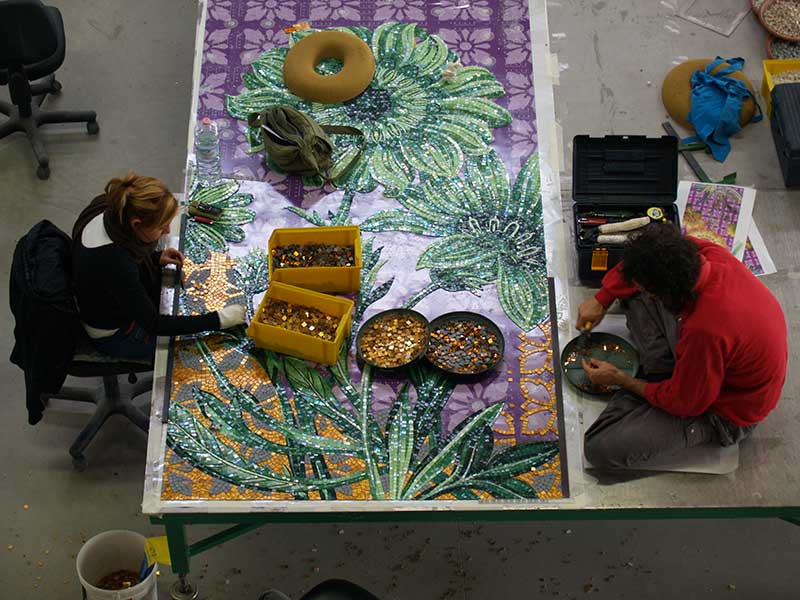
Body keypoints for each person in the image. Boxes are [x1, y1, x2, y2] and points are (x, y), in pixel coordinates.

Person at [577, 222, 787, 470]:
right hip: (711, 361)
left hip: (725, 411)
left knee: (600, 447)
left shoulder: (706, 329)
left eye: (654, 293)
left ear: (669, 292)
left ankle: (656, 384)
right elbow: (644, 260)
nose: (651, 296)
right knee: (632, 291)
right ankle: (661, 380)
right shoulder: (707, 254)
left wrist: (623, 380)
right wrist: (602, 299)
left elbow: (687, 403)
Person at [72, 172, 246, 360]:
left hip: (106, 300)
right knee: (196, 354)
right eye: (162, 227)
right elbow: (154, 324)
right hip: (115, 334)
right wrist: (220, 319)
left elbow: (114, 274)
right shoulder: (115, 262)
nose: (168, 231)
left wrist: (154, 258)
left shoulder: (109, 207)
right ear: (137, 224)